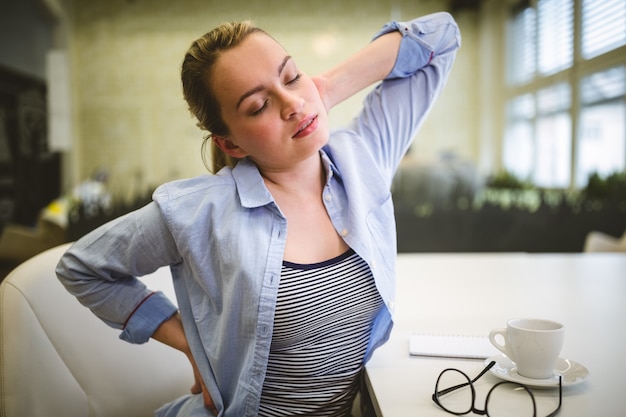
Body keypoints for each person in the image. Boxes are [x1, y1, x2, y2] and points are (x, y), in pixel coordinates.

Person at [56, 11, 460, 417]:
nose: (290, 104)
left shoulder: (363, 159)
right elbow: (82, 267)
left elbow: (440, 37)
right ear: (230, 144)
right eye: (259, 105)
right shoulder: (199, 211)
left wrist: (324, 88)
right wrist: (187, 342)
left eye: (291, 76)